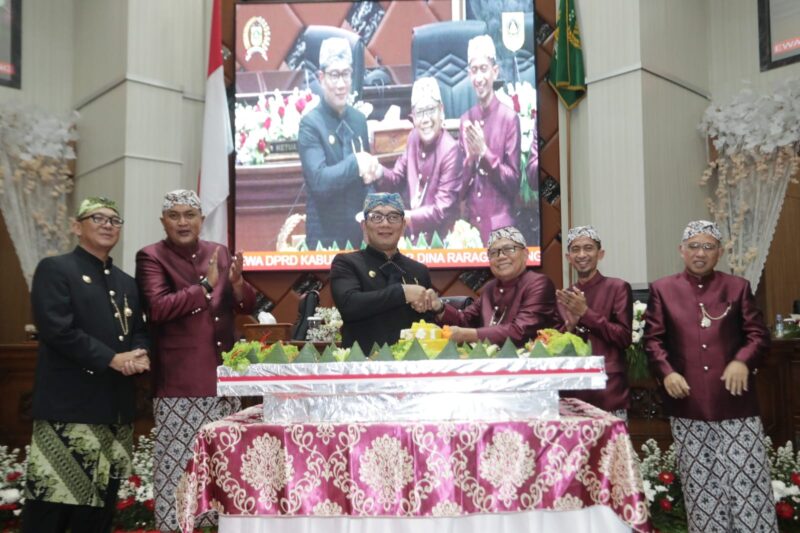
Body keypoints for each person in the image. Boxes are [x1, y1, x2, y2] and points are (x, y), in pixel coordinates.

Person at [22, 197, 150, 533]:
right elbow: (56, 329)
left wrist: (140, 352)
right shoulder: (56, 268)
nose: (108, 225)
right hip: (70, 409)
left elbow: (138, 330)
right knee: (53, 507)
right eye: (98, 218)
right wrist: (112, 358)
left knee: (100, 509)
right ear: (77, 227)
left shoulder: (125, 282)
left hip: (114, 409)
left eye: (114, 220)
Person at [644, 220, 777, 532]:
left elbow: (758, 335)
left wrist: (742, 361)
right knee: (702, 492)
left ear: (719, 253)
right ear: (681, 250)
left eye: (707, 246)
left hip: (736, 407)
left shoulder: (737, 287)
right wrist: (667, 373)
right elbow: (652, 340)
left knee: (749, 490)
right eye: (693, 246)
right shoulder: (663, 289)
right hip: (688, 407)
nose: (699, 253)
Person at [135, 190, 257, 532]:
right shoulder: (151, 257)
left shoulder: (217, 251)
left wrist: (236, 284)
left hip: (224, 382)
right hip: (180, 386)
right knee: (180, 471)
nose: (183, 221)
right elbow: (158, 309)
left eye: (190, 214)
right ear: (163, 222)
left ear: (201, 220)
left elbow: (245, 304)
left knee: (225, 471)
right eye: (174, 215)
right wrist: (204, 286)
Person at [298, 36, 375, 250]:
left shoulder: (359, 120)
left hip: (358, 238)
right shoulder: (310, 125)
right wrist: (357, 163)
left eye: (346, 74)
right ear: (321, 78)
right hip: (324, 240)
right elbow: (320, 182)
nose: (341, 84)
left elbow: (365, 182)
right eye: (334, 75)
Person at [330, 192, 433, 349]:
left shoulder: (419, 271)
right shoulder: (347, 263)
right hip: (362, 366)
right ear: (364, 225)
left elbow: (429, 326)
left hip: (409, 366)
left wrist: (433, 305)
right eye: (376, 217)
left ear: (403, 225)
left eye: (393, 217)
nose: (385, 224)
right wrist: (402, 293)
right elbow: (349, 306)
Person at [426, 226, 560, 346]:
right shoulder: (490, 288)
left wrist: (466, 335)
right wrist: (439, 307)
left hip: (530, 367)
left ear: (525, 254)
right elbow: (464, 320)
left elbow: (520, 331)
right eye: (494, 252)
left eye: (509, 249)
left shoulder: (538, 283)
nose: (501, 257)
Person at [370, 76, 460, 242]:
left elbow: (441, 211)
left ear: (441, 110)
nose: (425, 119)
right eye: (419, 113)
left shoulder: (451, 150)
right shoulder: (413, 138)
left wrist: (404, 217)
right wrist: (378, 172)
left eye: (431, 110)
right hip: (412, 241)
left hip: (441, 245)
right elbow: (396, 178)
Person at [557, 226, 632, 419]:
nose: (582, 254)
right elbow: (554, 349)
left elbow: (623, 338)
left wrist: (585, 313)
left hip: (609, 391)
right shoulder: (563, 296)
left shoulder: (618, 288)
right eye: (575, 249)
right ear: (568, 258)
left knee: (612, 450)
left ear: (600, 254)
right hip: (572, 392)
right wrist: (570, 327)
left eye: (588, 248)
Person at [459, 35, 521, 244]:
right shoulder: (466, 120)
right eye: (474, 70)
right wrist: (469, 159)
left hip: (500, 230)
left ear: (495, 72)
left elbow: (513, 184)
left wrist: (484, 152)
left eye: (484, 69)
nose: (479, 78)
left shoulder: (509, 118)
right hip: (469, 231)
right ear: (469, 75)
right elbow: (458, 189)